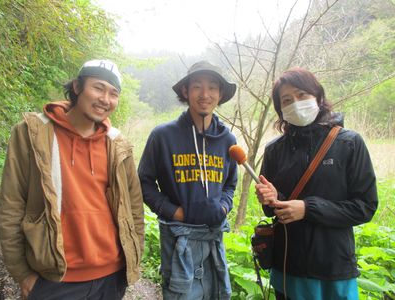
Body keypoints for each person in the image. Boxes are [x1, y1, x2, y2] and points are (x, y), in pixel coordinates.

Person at [0, 59, 144, 300]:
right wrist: (22, 274)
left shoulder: (118, 145)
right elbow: (12, 205)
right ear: (77, 87)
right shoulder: (32, 134)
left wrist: (134, 256)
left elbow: (134, 208)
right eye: (98, 88)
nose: (105, 99)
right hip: (55, 280)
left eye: (113, 93)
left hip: (111, 277)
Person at [255, 67, 378, 300]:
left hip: (334, 267)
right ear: (280, 110)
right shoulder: (274, 150)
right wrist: (272, 199)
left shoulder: (349, 143)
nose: (296, 103)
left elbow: (366, 206)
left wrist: (307, 209)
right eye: (287, 100)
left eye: (302, 95)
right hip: (288, 265)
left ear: (318, 97)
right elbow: (271, 210)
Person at [138, 60, 238, 299]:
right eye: (197, 86)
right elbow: (143, 182)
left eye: (213, 87)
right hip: (178, 238)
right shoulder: (163, 135)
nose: (205, 94)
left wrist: (224, 206)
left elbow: (230, 184)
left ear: (220, 94)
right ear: (185, 91)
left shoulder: (227, 140)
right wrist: (173, 211)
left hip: (214, 237)